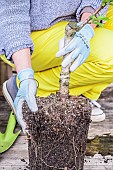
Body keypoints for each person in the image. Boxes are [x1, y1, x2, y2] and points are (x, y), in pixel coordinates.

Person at [0, 0, 113, 134]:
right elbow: (12, 17)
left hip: (71, 23)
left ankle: (81, 92)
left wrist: (86, 28)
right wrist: (25, 74)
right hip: (26, 38)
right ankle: (25, 86)